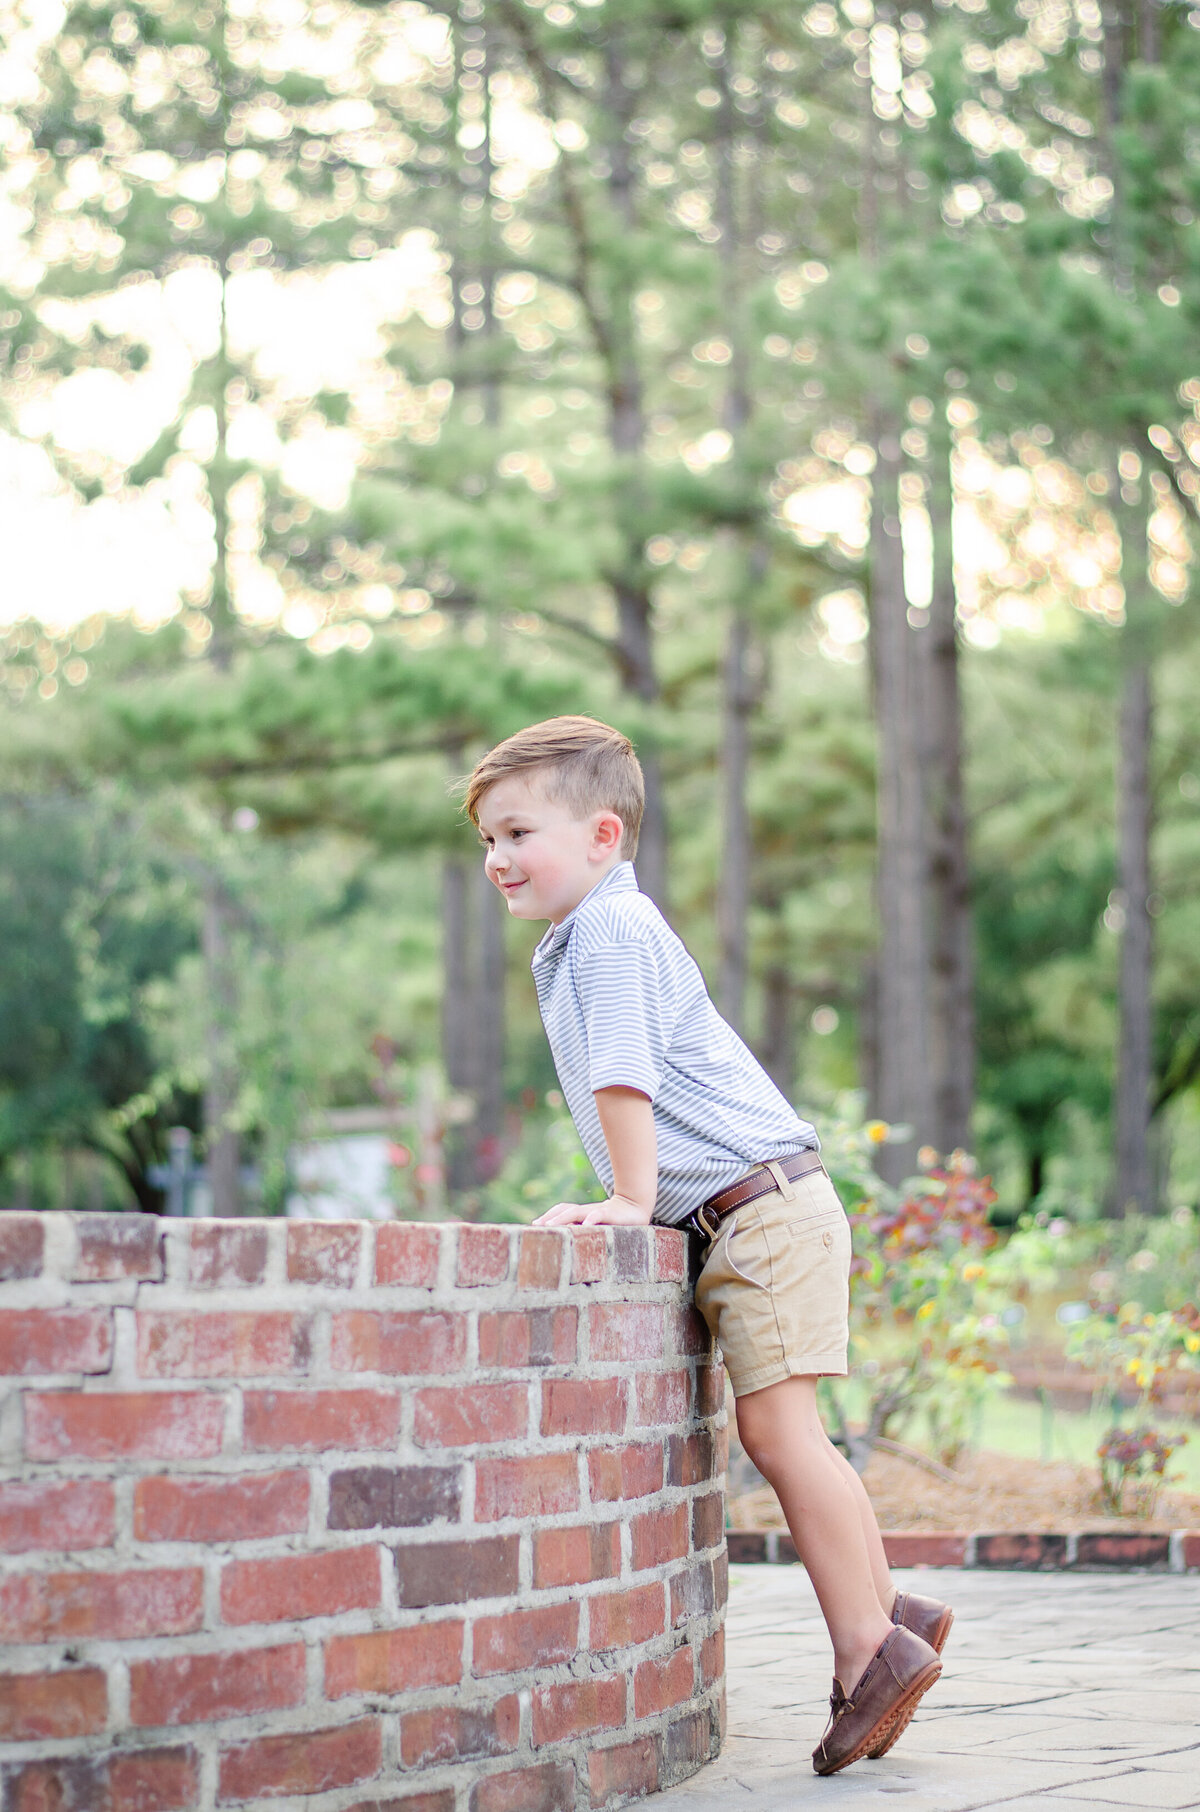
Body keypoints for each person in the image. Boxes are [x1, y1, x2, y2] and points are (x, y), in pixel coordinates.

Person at [462, 714, 952, 1776]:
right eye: (486, 842)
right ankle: (892, 1610)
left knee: (780, 1437)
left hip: (759, 1213)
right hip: (764, 1208)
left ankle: (873, 1648)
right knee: (800, 1430)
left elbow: (624, 1076)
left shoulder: (612, 933)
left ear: (602, 835)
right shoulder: (587, 933)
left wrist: (630, 1201)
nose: (497, 859)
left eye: (516, 834)